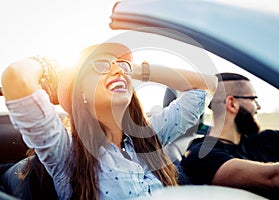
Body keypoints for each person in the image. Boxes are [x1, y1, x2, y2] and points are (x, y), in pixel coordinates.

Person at [1, 43, 217, 200]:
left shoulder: (149, 138)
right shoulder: (67, 154)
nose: (117, 71)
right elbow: (16, 78)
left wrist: (137, 70)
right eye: (102, 66)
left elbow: (204, 84)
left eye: (121, 66)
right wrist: (48, 67)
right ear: (81, 91)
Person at [180, 72, 279, 199]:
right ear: (232, 104)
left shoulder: (264, 139)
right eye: (253, 99)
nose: (258, 107)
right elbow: (273, 178)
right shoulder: (203, 155)